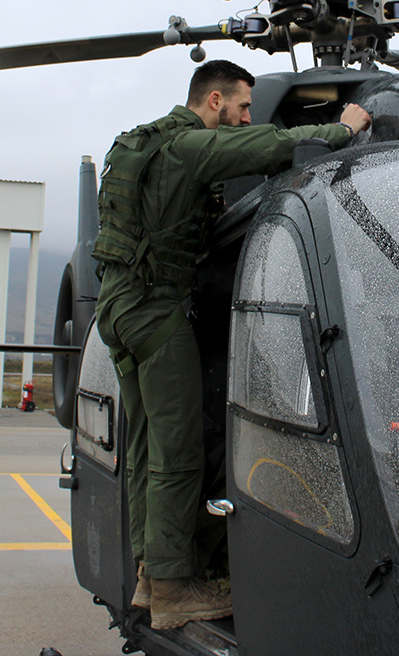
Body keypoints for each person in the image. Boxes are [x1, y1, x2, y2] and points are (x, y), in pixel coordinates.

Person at [93, 59, 371, 630]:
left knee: (144, 449)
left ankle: (150, 575)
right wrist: (343, 129)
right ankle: (173, 590)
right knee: (179, 454)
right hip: (155, 312)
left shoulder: (143, 145)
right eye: (242, 106)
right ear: (214, 100)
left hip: (117, 309)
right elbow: (271, 146)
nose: (248, 117)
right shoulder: (190, 147)